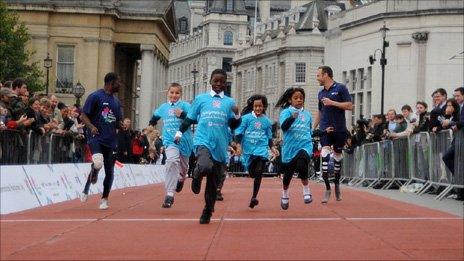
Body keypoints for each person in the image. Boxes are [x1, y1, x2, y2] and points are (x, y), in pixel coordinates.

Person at [174, 69, 240, 224]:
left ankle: (207, 211)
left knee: (213, 183)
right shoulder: (201, 99)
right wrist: (179, 132)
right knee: (204, 166)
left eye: (222, 81)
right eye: (216, 81)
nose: (218, 84)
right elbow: (190, 119)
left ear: (226, 84)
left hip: (220, 145)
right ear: (210, 81)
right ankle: (196, 175)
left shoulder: (229, 102)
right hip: (203, 140)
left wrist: (237, 114)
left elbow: (234, 124)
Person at [79, 72, 122, 210]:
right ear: (111, 83)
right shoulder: (95, 96)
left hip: (111, 141)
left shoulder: (116, 101)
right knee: (97, 163)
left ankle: (104, 199)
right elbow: (83, 115)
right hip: (96, 137)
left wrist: (122, 125)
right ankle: (88, 184)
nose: (120, 85)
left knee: (110, 171)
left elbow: (117, 121)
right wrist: (91, 127)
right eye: (118, 82)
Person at [148, 82, 193, 208]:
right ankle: (169, 194)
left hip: (185, 140)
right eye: (171, 92)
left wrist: (183, 115)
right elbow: (155, 116)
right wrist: (151, 124)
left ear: (181, 94)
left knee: (184, 168)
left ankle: (181, 178)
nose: (174, 95)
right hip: (170, 141)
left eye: (177, 93)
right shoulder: (163, 107)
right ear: (168, 93)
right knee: (171, 161)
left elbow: (194, 119)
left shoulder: (185, 106)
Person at [313, 66, 353, 204]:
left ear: (326, 75)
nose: (317, 78)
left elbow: (350, 106)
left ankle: (336, 184)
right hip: (325, 129)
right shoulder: (320, 93)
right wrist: (313, 127)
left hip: (339, 129)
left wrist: (332, 103)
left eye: (318, 75)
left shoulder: (340, 88)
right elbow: (320, 111)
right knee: (324, 158)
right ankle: (327, 188)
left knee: (337, 158)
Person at [235, 94, 276, 208]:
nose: (258, 108)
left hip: (261, 149)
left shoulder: (267, 121)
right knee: (253, 173)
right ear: (252, 107)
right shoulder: (246, 119)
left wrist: (272, 148)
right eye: (256, 106)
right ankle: (251, 172)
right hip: (249, 151)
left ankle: (254, 197)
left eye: (260, 106)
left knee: (259, 172)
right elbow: (239, 133)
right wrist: (238, 145)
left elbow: (269, 137)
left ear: (264, 107)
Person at [276, 87, 313, 210]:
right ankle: (285, 193)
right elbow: (284, 127)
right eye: (296, 98)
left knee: (302, 164)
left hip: (305, 145)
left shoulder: (307, 114)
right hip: (290, 148)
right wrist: (292, 117)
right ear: (290, 100)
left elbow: (309, 131)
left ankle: (306, 190)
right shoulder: (286, 112)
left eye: (301, 98)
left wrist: (322, 132)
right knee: (288, 176)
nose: (299, 100)